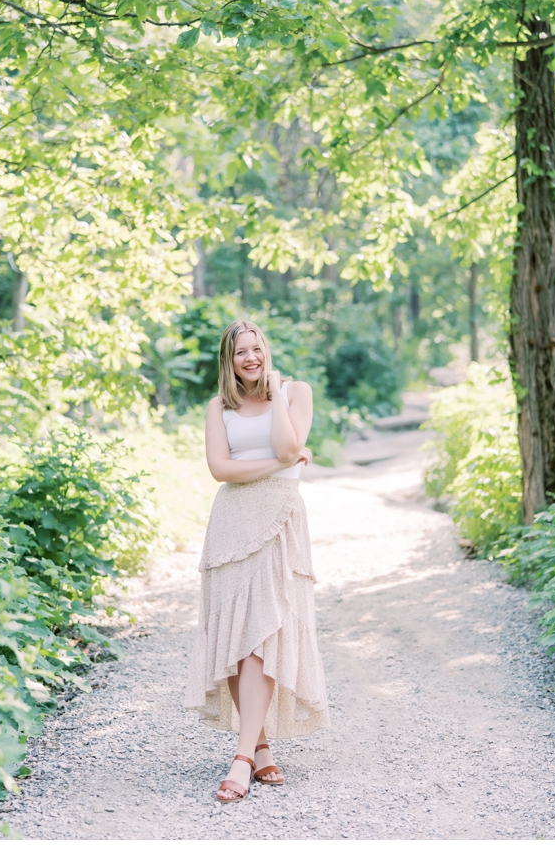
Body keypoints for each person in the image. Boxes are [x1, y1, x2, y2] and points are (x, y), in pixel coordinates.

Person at [184, 319, 329, 804]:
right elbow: (220, 469)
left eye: (256, 349)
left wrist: (276, 394)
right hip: (231, 523)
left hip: (280, 520)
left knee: (264, 633)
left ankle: (242, 760)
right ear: (228, 361)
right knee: (233, 633)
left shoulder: (296, 392)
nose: (250, 358)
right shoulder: (218, 408)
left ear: (266, 350)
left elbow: (292, 445)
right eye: (240, 352)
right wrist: (278, 465)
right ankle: (260, 745)